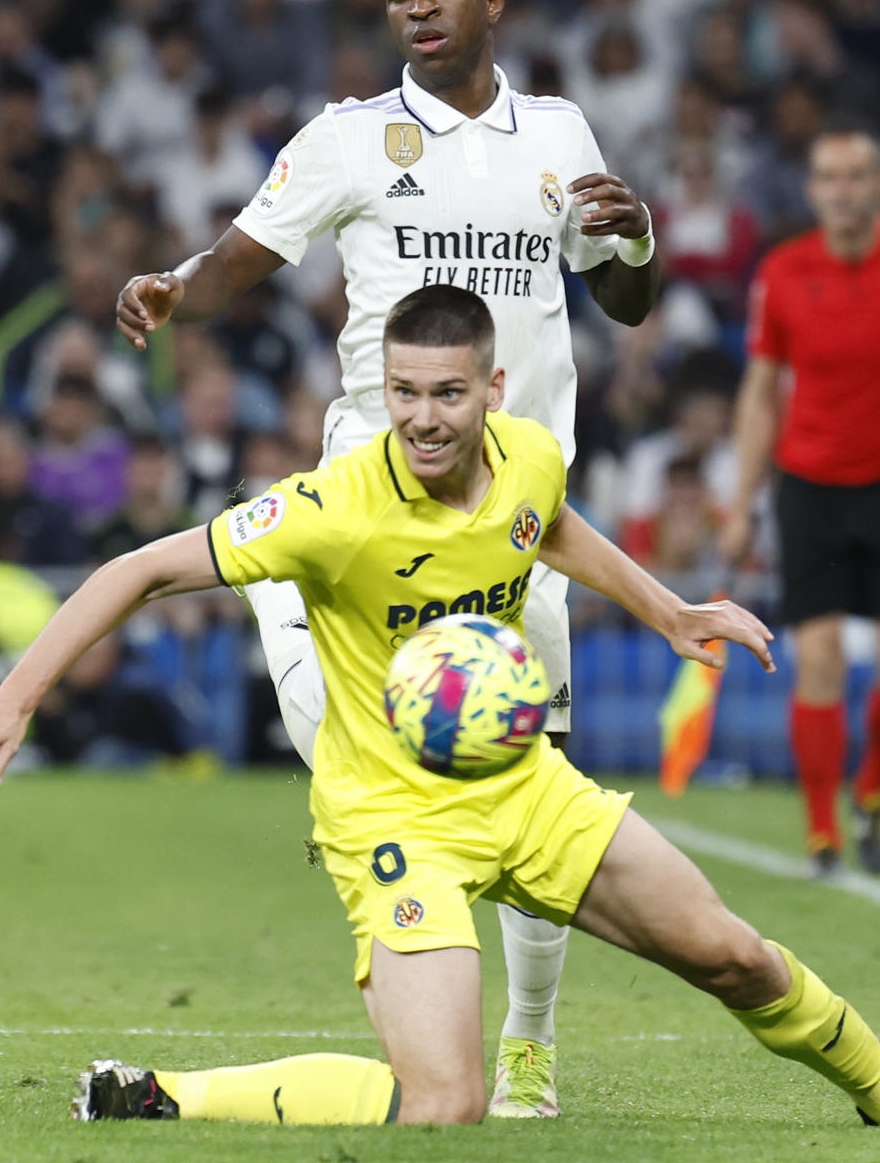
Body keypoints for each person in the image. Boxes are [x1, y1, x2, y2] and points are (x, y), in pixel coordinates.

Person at [3, 286, 880, 1131]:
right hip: (396, 819)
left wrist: (670, 612)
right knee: (444, 1102)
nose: (422, 418)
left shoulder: (530, 455)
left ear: (493, 389)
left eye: (448, 394)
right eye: (404, 392)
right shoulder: (333, 506)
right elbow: (139, 571)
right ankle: (158, 1094)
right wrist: (17, 696)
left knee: (736, 957)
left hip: (521, 788)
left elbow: (547, 523)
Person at [112, 0, 660, 1116]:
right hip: (373, 507)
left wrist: (632, 245)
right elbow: (243, 257)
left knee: (532, 779)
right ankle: (295, 623)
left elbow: (621, 299)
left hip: (516, 517)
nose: (418, 6)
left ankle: (528, 1041)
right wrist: (175, 287)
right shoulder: (348, 139)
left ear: (491, 0)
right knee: (366, 758)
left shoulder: (558, 131)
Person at [719, 121, 880, 878]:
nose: (844, 192)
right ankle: (823, 832)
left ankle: (870, 791)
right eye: (830, 178)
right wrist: (739, 502)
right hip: (810, 487)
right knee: (820, 660)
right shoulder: (783, 273)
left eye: (858, 176)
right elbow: (759, 392)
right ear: (812, 189)